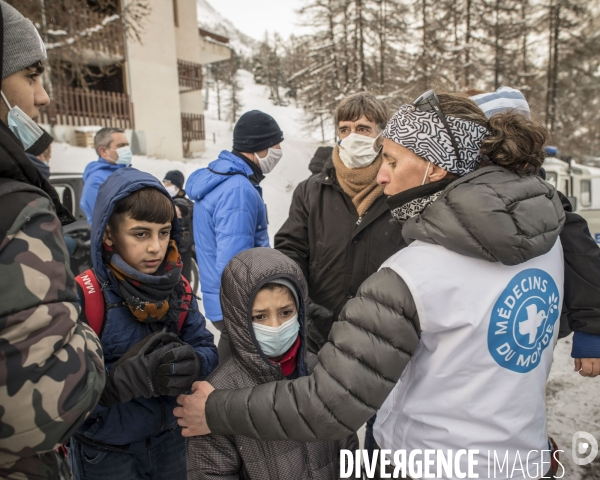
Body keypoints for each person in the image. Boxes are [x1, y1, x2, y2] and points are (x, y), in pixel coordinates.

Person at [175, 91, 567, 477]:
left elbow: (328, 405)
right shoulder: (547, 246)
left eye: (393, 161)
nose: (381, 175)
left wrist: (216, 410)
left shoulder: (414, 272)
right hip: (521, 458)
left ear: (437, 165)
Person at [0, 1, 105, 478]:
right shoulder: (17, 207)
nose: (43, 97)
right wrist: (85, 329)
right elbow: (45, 402)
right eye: (31, 75)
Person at [69, 168, 217, 480]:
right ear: (108, 233)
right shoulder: (84, 297)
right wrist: (118, 381)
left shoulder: (177, 287)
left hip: (171, 443)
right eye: (140, 234)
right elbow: (60, 390)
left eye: (164, 232)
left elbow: (205, 347)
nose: (155, 247)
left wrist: (193, 364)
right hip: (106, 452)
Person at [187, 248, 358, 479]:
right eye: (259, 316)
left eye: (286, 312)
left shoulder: (322, 371)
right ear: (239, 319)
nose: (275, 326)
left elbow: (349, 455)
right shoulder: (215, 397)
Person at [471, 87, 600, 375]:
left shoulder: (549, 201)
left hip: (525, 329)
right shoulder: (461, 191)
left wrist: (592, 331)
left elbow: (584, 258)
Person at [275, 92, 404, 355]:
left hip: (380, 336)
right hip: (319, 332)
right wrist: (301, 299)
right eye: (345, 129)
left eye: (363, 128)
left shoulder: (401, 191)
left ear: (382, 134)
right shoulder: (311, 190)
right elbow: (291, 250)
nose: (352, 136)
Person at [186, 110, 283, 361]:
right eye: (274, 145)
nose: (279, 152)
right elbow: (236, 263)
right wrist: (249, 312)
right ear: (256, 148)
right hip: (238, 306)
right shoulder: (238, 190)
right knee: (237, 378)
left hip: (221, 300)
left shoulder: (224, 180)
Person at [80, 127, 132, 225]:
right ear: (103, 151)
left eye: (127, 145)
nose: (127, 150)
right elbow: (108, 219)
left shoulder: (127, 172)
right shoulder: (96, 181)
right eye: (121, 146)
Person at [163, 170, 195, 282]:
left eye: (169, 184)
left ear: (178, 187)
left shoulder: (184, 203)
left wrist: (179, 210)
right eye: (165, 184)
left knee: (182, 281)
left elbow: (184, 208)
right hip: (170, 249)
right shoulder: (167, 200)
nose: (166, 187)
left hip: (183, 249)